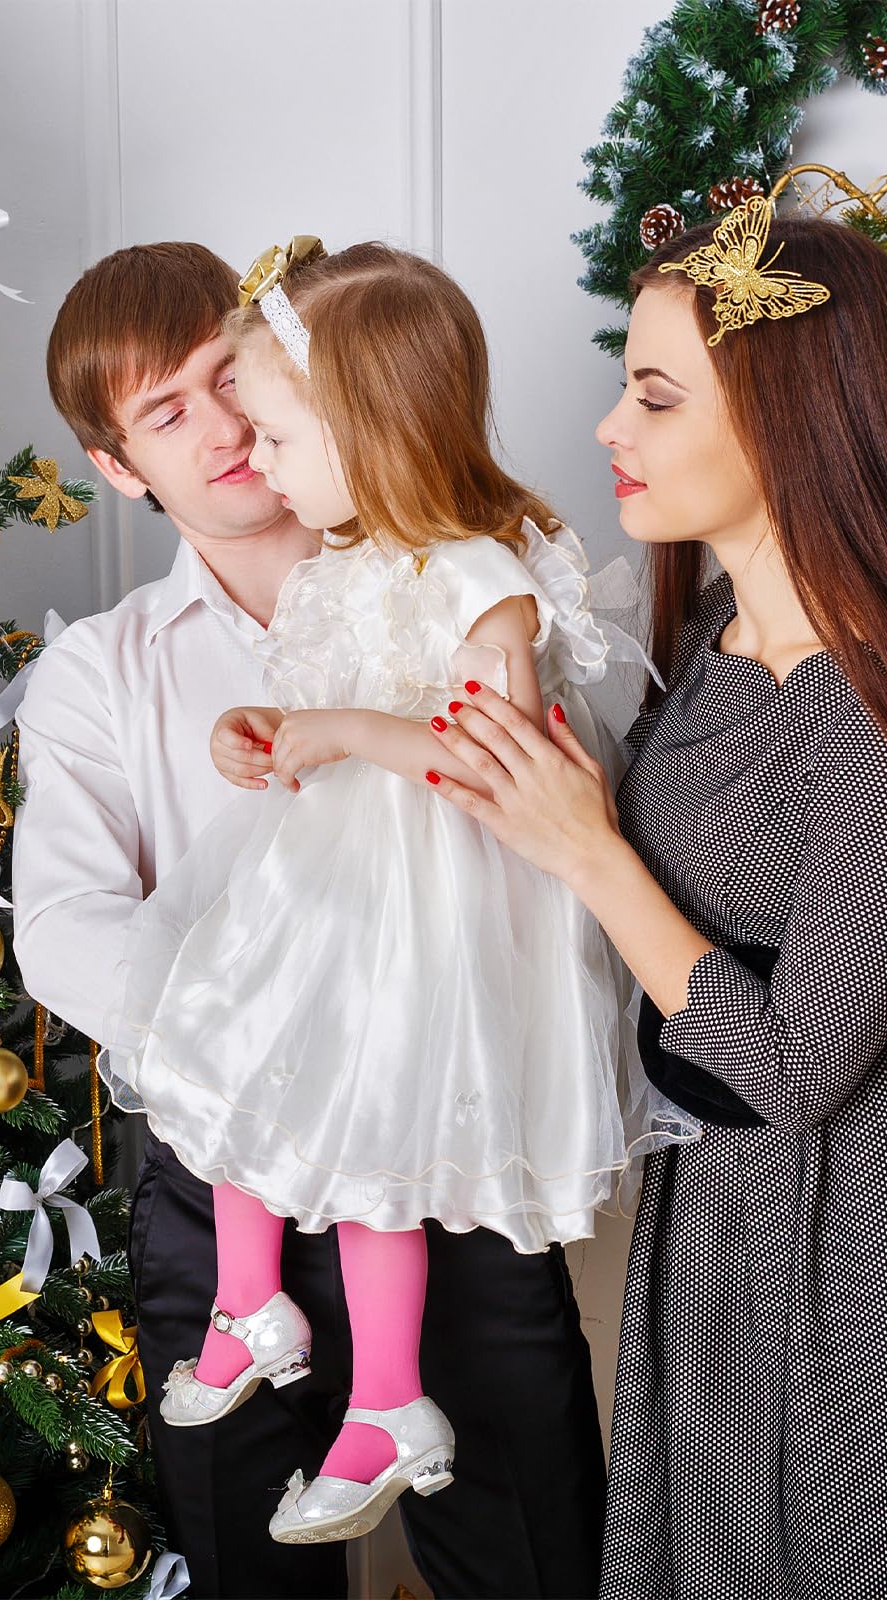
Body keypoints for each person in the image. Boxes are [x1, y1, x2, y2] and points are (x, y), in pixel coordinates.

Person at [15, 240, 608, 1599]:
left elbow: (559, 829)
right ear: (119, 467)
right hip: (223, 1171)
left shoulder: (473, 581)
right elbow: (62, 924)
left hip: (446, 1168)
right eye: (167, 414)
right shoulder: (103, 674)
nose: (224, 429)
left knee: (525, 1554)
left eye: (233, 381)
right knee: (246, 1565)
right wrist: (270, 1054)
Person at [426, 202, 887, 1598]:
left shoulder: (867, 702)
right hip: (710, 1223)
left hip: (838, 1249)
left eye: (653, 393)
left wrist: (589, 852)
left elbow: (804, 1065)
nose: (612, 427)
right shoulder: (708, 639)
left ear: (790, 416)